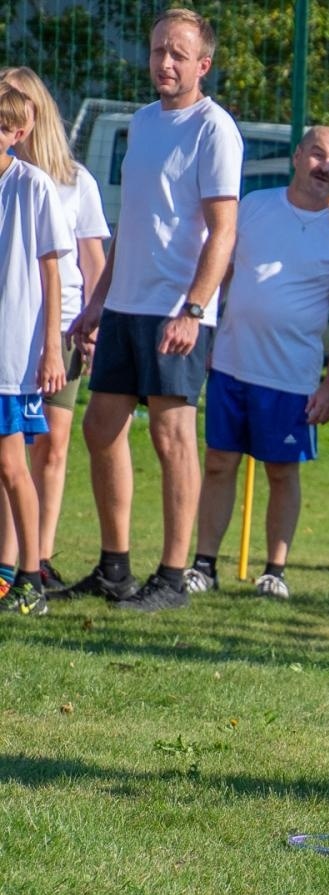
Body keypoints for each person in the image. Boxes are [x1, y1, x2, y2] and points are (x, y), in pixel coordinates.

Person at [64, 7, 243, 612]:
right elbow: (132, 226)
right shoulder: (141, 123)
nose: (164, 63)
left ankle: (171, 578)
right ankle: (114, 570)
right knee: (99, 427)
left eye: (178, 54)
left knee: (172, 437)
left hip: (178, 309)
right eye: (157, 50)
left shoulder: (214, 129)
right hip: (125, 305)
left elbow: (223, 231)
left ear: (203, 64)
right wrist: (96, 302)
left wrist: (193, 309)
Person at [182, 126, 329, 600]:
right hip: (230, 365)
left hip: (291, 380)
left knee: (282, 472)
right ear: (297, 156)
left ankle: (275, 572)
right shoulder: (254, 207)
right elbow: (222, 277)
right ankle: (204, 565)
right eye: (318, 155)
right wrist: (204, 340)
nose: (325, 167)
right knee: (220, 463)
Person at [0, 67, 109, 596]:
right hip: (15, 331)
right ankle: (11, 561)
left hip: (53, 332)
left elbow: (90, 260)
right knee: (12, 450)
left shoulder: (69, 181)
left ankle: (35, 561)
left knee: (51, 446)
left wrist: (87, 324)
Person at [0, 87, 70, 615]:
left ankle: (31, 575)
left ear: (18, 134)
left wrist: (52, 348)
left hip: (11, 356)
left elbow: (53, 272)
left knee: (11, 465)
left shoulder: (33, 186)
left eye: (3, 128)